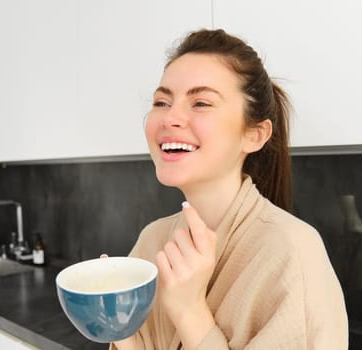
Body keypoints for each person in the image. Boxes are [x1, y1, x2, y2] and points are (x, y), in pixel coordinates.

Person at [112, 29, 348, 350]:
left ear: (254, 134)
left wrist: (189, 310)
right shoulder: (152, 242)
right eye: (162, 101)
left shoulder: (293, 253)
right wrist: (114, 323)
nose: (171, 117)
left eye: (201, 102)